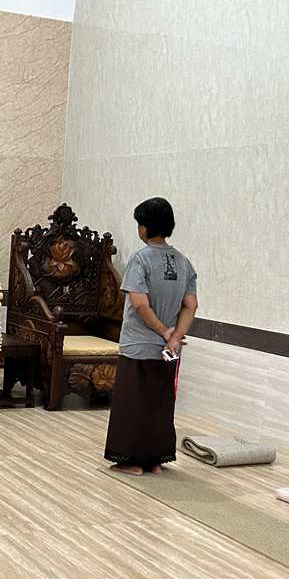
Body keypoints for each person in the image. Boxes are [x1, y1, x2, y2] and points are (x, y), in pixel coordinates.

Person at [104, 197, 198, 475]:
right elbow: (191, 305)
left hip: (138, 345)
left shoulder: (140, 258)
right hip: (168, 349)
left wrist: (163, 330)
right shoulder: (183, 262)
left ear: (144, 228)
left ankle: (131, 462)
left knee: (132, 403)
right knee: (158, 403)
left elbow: (140, 304)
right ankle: (154, 461)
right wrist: (175, 336)